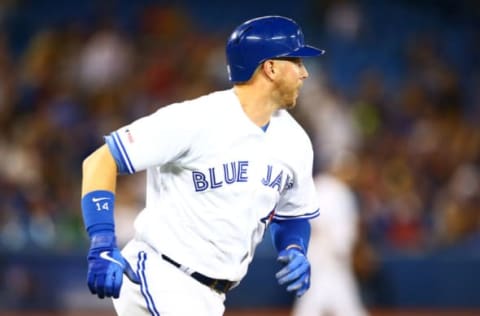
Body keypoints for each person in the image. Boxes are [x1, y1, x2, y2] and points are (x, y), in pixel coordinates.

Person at [80, 15, 325, 316]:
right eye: (297, 62)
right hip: (161, 273)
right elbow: (100, 160)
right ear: (270, 67)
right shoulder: (195, 119)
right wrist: (102, 239)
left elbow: (292, 215)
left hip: (211, 296)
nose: (305, 73)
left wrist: (294, 247)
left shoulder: (295, 141)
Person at [291, 161, 369, 316]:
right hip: (328, 254)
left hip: (318, 253)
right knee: (325, 301)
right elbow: (331, 229)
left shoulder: (322, 186)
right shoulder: (335, 190)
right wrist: (340, 247)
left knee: (320, 299)